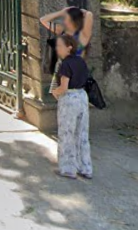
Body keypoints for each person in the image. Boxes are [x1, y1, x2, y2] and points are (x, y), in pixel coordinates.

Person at [51, 35, 93, 179]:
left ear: (69, 47)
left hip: (69, 99)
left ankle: (68, 169)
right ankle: (85, 167)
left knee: (67, 133)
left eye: (60, 46)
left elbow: (63, 87)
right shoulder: (81, 61)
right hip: (82, 97)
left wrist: (54, 92)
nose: (57, 49)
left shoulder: (65, 64)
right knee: (82, 134)